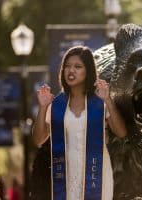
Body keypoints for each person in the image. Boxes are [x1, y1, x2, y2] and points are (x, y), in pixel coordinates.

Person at [32, 45, 127, 200]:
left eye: (77, 67)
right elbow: (38, 140)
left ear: (88, 71)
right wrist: (43, 108)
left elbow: (121, 132)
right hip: (64, 176)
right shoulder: (56, 105)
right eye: (67, 66)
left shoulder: (100, 102)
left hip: (97, 175)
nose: (71, 71)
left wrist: (108, 100)